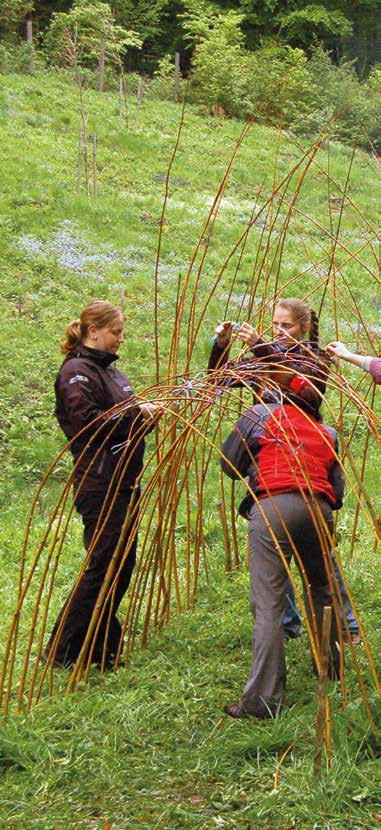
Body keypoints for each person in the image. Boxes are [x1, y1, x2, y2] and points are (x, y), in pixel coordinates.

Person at [209, 298, 359, 642]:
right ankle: (286, 624)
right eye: (275, 325)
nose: (279, 331)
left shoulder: (314, 359)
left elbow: (307, 395)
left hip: (303, 459)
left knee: (319, 550)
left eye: (286, 326)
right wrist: (220, 347)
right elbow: (219, 380)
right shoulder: (264, 358)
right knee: (271, 545)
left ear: (304, 327)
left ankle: (345, 625)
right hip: (266, 455)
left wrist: (261, 347)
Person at [43, 300, 162, 670]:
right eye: (116, 332)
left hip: (124, 478)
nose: (121, 339)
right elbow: (88, 424)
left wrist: (144, 417)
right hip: (100, 480)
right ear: (93, 331)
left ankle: (100, 645)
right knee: (105, 562)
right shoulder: (77, 372)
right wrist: (136, 414)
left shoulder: (112, 373)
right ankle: (63, 649)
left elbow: (125, 422)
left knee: (120, 564)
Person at [220, 369, 344, 718]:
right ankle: (333, 669)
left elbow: (229, 464)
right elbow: (339, 488)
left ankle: (263, 700)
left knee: (269, 600)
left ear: (271, 392)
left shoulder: (258, 414)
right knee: (322, 588)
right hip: (319, 510)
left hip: (273, 507)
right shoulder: (326, 431)